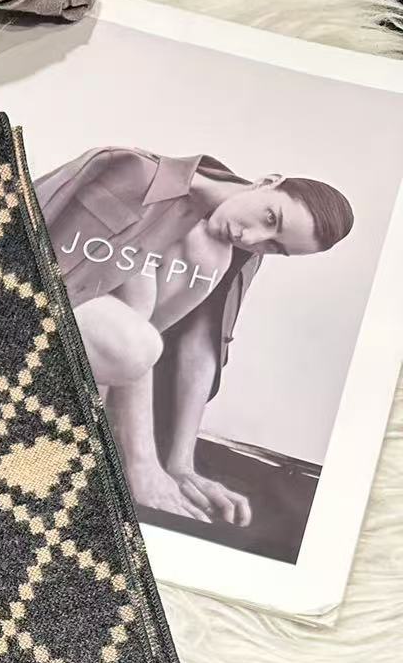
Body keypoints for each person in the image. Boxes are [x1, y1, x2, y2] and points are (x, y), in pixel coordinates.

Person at [34, 148, 354, 525]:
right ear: (268, 182)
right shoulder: (143, 178)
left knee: (191, 275)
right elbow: (132, 333)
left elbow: (200, 346)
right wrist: (143, 468)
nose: (253, 237)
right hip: (19, 299)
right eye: (271, 217)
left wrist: (181, 465)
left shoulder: (232, 247)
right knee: (136, 345)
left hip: (81, 342)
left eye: (275, 247)